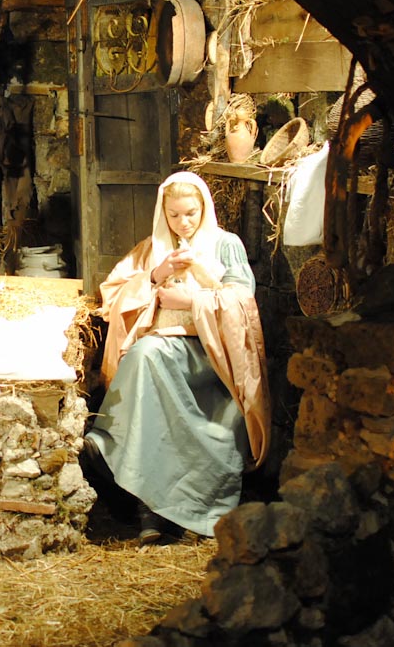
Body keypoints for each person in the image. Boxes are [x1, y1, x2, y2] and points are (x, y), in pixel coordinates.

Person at [83, 171, 270, 544]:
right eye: (174, 215)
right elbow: (112, 293)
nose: (183, 223)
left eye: (191, 213)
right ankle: (147, 507)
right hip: (163, 345)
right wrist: (155, 276)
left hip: (209, 352)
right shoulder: (153, 248)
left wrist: (192, 301)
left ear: (204, 209)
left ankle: (109, 446)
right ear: (163, 213)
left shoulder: (225, 244)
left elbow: (243, 302)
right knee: (147, 355)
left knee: (146, 356)